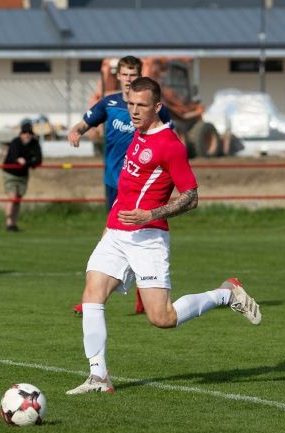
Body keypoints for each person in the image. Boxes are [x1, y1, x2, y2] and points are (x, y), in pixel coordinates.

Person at [66, 77, 261, 395]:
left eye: (141, 105)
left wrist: (151, 214)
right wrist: (110, 225)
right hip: (117, 233)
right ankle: (99, 376)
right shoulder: (138, 135)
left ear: (157, 106)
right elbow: (129, 188)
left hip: (148, 238)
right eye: (130, 104)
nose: (134, 111)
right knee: (92, 296)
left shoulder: (170, 145)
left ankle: (227, 293)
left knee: (162, 318)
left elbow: (191, 197)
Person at [68, 56, 172, 315]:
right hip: (114, 180)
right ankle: (106, 294)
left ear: (139, 75)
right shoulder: (110, 103)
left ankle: (97, 297)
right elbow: (86, 121)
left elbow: (169, 140)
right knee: (118, 235)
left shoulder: (151, 109)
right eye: (124, 74)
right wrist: (76, 131)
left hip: (141, 186)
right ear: (118, 76)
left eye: (132, 74)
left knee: (116, 234)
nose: (127, 79)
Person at [2, 122, 42, 232]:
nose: (27, 135)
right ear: (21, 133)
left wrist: (27, 163)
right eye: (25, 132)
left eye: (29, 133)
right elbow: (16, 158)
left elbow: (38, 160)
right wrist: (29, 162)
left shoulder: (34, 143)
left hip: (23, 175)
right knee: (12, 197)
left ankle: (13, 224)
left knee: (18, 199)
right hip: (10, 173)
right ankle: (9, 223)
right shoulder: (15, 142)